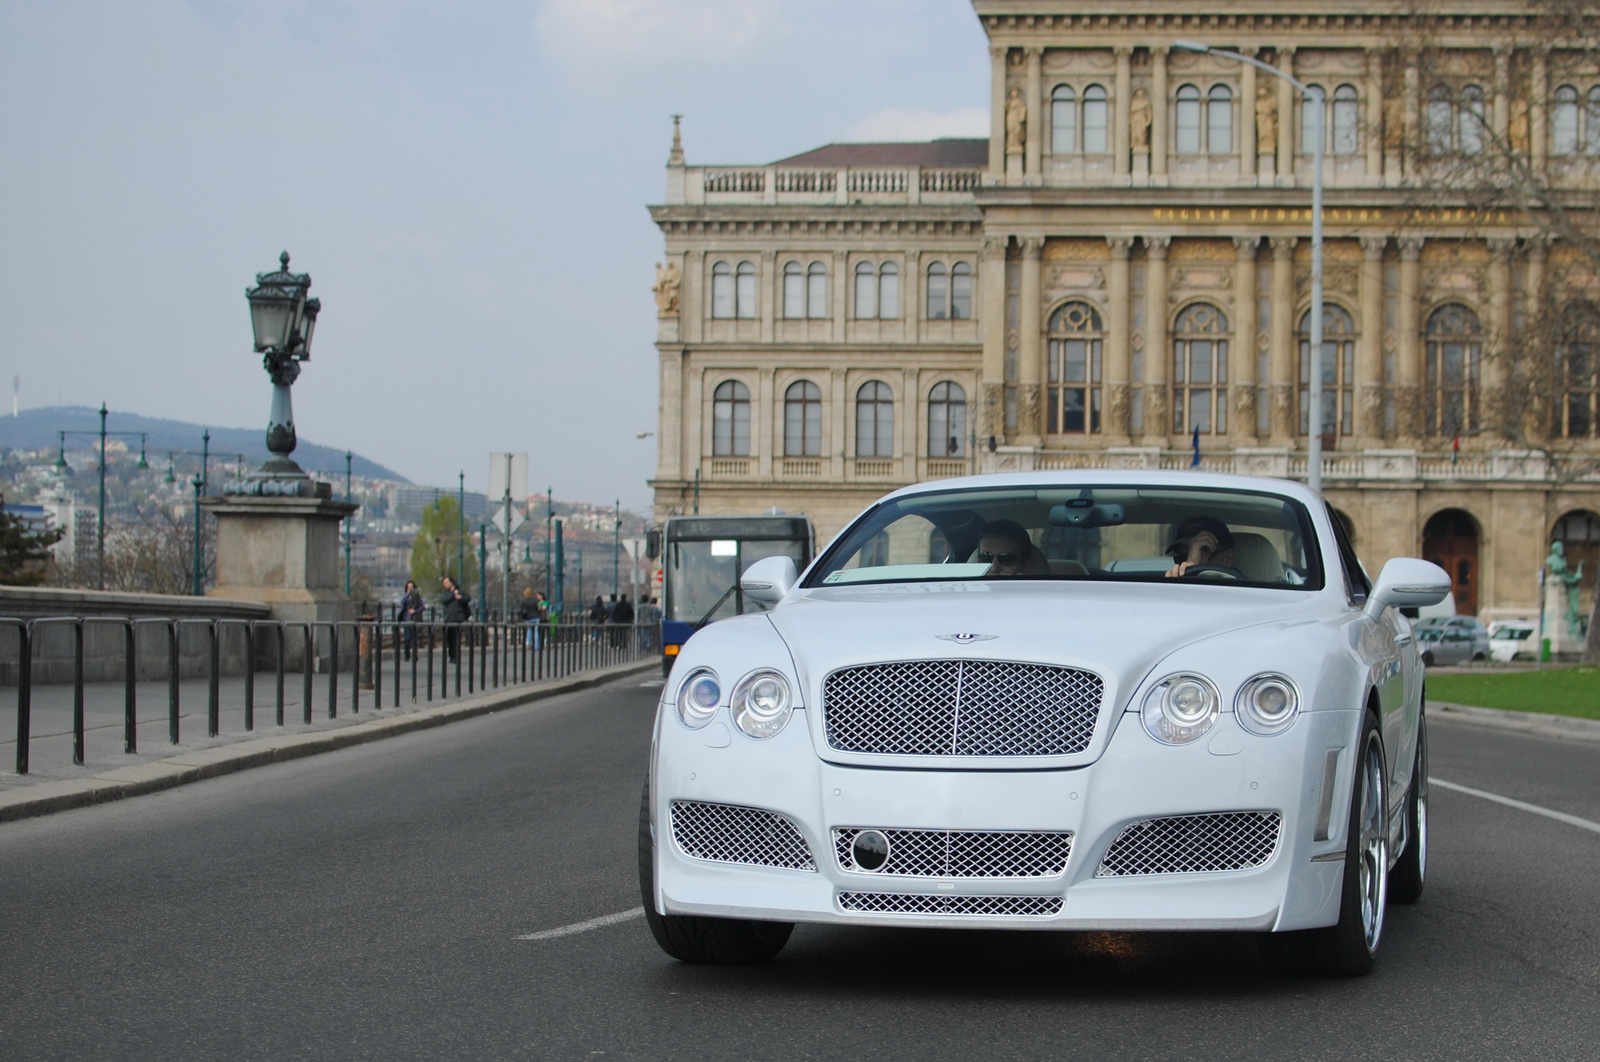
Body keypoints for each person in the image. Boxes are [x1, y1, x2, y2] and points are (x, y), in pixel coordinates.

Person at [1165, 515, 1240, 578]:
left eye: (1201, 555)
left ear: (1228, 559)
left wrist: (1192, 572)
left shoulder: (1242, 590)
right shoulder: (1169, 588)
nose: (1185, 565)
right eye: (1182, 558)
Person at [972, 519, 1043, 577]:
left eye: (1006, 559)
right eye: (986, 559)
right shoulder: (966, 593)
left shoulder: (1039, 594)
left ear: (1025, 567)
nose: (994, 568)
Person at [441, 575, 471, 663]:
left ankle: (456, 656)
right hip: (449, 618)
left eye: (446, 582)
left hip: (458, 617)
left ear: (451, 582)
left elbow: (468, 598)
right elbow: (443, 600)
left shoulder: (460, 590)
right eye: (444, 583)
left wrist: (460, 597)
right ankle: (451, 656)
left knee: (456, 638)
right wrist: (453, 595)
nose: (445, 584)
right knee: (450, 639)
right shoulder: (446, 592)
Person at [397, 580, 423, 661]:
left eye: (411, 587)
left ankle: (415, 655)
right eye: (408, 587)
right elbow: (402, 602)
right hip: (406, 619)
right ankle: (407, 654)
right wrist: (407, 595)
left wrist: (415, 611)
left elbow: (422, 606)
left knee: (414, 638)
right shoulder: (406, 596)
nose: (410, 589)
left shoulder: (417, 596)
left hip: (414, 619)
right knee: (407, 637)